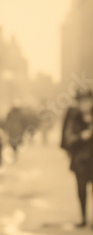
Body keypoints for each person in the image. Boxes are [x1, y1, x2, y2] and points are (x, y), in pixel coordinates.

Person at [63, 89, 93, 228]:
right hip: (80, 160)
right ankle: (83, 218)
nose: (85, 104)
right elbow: (68, 138)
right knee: (81, 190)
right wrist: (81, 136)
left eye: (87, 101)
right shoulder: (74, 117)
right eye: (82, 101)